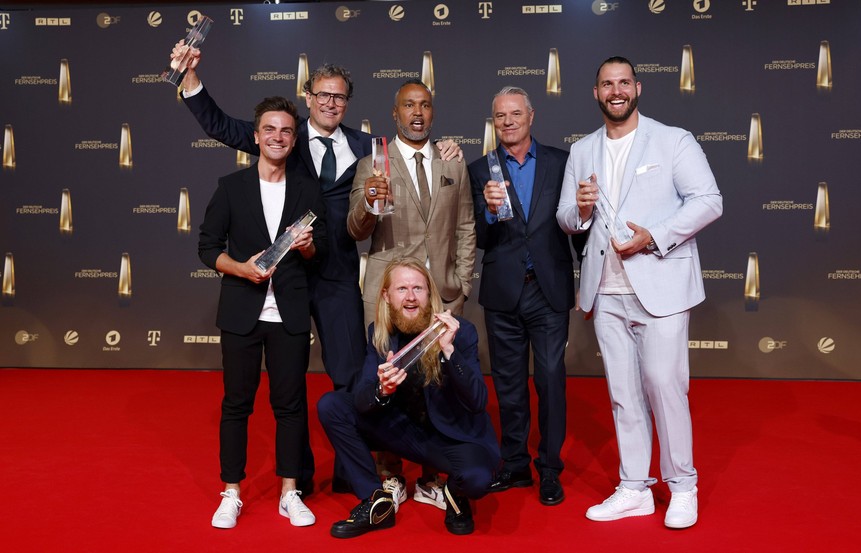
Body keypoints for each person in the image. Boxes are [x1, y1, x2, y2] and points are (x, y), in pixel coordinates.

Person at [169, 44, 461, 495]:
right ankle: (297, 478)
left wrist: (445, 149)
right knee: (289, 386)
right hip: (282, 275)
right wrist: (190, 80)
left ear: (347, 103)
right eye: (322, 95)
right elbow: (220, 125)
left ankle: (351, 471)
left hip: (336, 272)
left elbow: (407, 150)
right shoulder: (282, 133)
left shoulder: (367, 146)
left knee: (347, 374)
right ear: (308, 97)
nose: (330, 103)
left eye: (339, 97)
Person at [556, 56, 723, 529]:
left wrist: (654, 235)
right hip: (605, 290)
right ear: (595, 93)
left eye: (624, 82)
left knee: (665, 386)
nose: (616, 91)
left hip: (661, 284)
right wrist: (581, 212)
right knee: (624, 394)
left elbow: (709, 201)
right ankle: (634, 487)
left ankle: (682, 486)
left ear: (638, 87)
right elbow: (566, 217)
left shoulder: (673, 140)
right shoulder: (582, 150)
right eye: (607, 84)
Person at [198, 96, 327, 529]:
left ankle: (290, 493)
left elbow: (320, 250)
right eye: (270, 129)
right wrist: (241, 268)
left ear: (294, 140)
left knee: (290, 407)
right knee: (237, 404)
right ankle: (231, 492)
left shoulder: (309, 190)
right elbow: (206, 248)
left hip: (288, 313)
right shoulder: (230, 187)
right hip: (241, 314)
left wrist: (310, 248)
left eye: (286, 131)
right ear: (255, 137)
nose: (278, 137)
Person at [317, 258, 499, 538]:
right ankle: (375, 502)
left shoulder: (460, 332)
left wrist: (449, 352)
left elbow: (477, 401)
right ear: (386, 296)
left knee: (477, 479)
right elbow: (362, 400)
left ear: (430, 294)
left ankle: (453, 491)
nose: (411, 297)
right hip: (404, 432)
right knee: (332, 406)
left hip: (449, 438)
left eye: (418, 288)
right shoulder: (379, 335)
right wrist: (382, 390)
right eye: (402, 289)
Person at [468, 86, 584, 506]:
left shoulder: (561, 162)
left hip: (548, 290)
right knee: (509, 386)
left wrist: (588, 284)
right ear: (493, 122)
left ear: (531, 116)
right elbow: (478, 237)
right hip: (502, 292)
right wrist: (484, 210)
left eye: (515, 114)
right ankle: (515, 464)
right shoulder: (480, 169)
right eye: (500, 116)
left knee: (550, 379)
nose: (508, 122)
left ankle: (549, 468)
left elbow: (578, 227)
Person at [347, 79, 475, 327]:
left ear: (432, 113)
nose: (417, 112)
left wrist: (463, 285)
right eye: (409, 105)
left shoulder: (453, 163)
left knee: (441, 366)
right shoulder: (371, 165)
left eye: (424, 105)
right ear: (396, 113)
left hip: (443, 296)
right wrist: (368, 202)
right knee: (389, 366)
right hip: (387, 297)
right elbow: (356, 230)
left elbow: (465, 227)